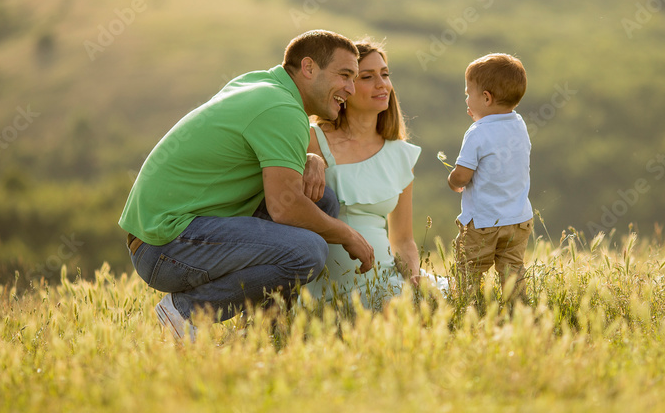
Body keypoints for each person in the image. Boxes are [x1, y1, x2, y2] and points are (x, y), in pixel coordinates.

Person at [118, 29, 375, 340]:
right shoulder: (282, 109)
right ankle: (184, 312)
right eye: (345, 75)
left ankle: (265, 330)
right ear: (309, 68)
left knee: (322, 202)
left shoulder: (261, 85)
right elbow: (284, 207)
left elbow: (261, 144)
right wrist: (346, 233)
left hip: (172, 235)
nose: (350, 88)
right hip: (165, 247)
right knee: (309, 249)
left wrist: (309, 157)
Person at [302, 39, 443, 309]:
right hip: (325, 287)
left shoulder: (401, 154)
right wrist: (310, 159)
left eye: (385, 74)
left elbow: (402, 238)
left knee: (445, 304)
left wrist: (413, 275)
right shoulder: (312, 139)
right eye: (367, 77)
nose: (382, 84)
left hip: (385, 279)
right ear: (346, 87)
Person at [446, 53, 533, 302]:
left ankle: (466, 308)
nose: (466, 99)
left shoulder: (477, 132)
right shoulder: (519, 124)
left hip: (483, 222)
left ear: (486, 98)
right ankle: (518, 310)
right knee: (513, 271)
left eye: (468, 93)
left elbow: (462, 176)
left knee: (468, 270)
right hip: (518, 220)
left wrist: (453, 181)